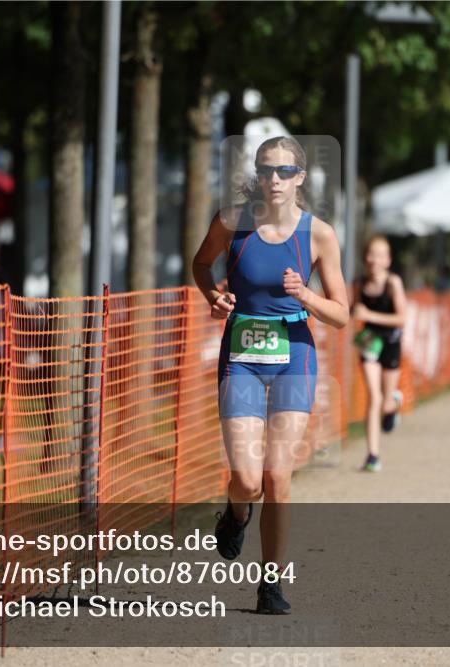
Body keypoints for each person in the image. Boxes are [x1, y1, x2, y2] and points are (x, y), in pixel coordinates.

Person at [191, 136, 348, 614]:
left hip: (294, 356)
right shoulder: (231, 223)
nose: (274, 179)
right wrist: (212, 297)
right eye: (266, 170)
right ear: (256, 175)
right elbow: (201, 265)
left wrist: (305, 296)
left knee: (278, 476)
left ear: (300, 177)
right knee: (246, 478)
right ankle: (237, 513)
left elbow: (341, 314)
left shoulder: (318, 234)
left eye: (284, 171)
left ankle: (271, 583)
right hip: (241, 354)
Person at [352, 235, 406, 473]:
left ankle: (393, 402)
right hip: (370, 344)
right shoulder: (360, 284)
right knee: (373, 397)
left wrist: (369, 316)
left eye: (379, 255)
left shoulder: (393, 283)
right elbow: (354, 311)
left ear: (388, 260)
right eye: (370, 254)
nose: (373, 259)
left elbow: (402, 318)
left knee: (384, 401)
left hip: (391, 342)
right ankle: (373, 455)